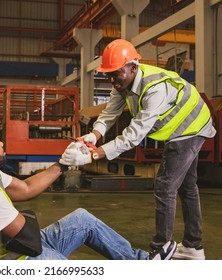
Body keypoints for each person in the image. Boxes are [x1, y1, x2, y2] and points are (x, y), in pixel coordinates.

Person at [61, 39, 216, 260]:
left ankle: (162, 248)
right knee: (187, 186)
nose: (113, 80)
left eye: (116, 73)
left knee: (165, 186)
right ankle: (193, 246)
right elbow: (109, 113)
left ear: (133, 67)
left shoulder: (154, 89)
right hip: (182, 129)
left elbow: (133, 135)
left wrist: (93, 155)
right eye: (109, 75)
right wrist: (93, 135)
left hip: (190, 127)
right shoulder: (122, 84)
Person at [0, 119, 176, 260]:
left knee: (82, 220)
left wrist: (63, 163)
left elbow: (27, 188)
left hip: (20, 245)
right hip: (15, 260)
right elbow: (29, 237)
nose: (2, 144)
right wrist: (26, 219)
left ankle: (141, 264)